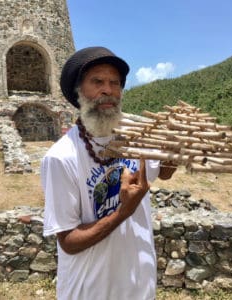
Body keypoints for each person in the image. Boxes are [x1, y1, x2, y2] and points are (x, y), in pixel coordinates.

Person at [41, 46, 176, 300]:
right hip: (90, 291)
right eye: (98, 81)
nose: (108, 90)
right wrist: (123, 212)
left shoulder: (137, 137)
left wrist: (173, 155)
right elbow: (69, 241)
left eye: (115, 83)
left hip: (140, 286)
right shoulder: (61, 158)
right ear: (78, 92)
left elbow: (163, 172)